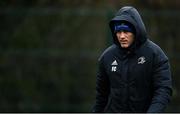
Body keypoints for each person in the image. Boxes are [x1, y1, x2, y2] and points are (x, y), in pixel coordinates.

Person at [92, 6, 172, 113]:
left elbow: (163, 90)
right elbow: (101, 96)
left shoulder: (155, 55)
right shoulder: (107, 57)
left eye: (126, 31)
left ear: (136, 31)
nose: (122, 36)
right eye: (118, 32)